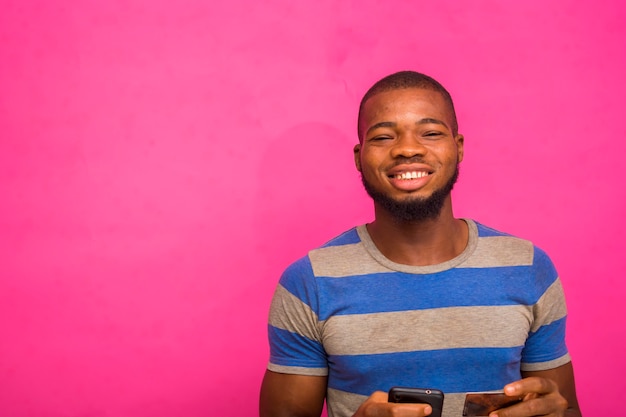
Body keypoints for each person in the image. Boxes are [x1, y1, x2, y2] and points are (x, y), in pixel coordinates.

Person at [259, 71, 582, 417]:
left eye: (430, 133)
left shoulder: (528, 267)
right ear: (359, 156)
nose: (407, 149)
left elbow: (565, 408)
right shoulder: (309, 283)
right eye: (383, 136)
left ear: (458, 148)